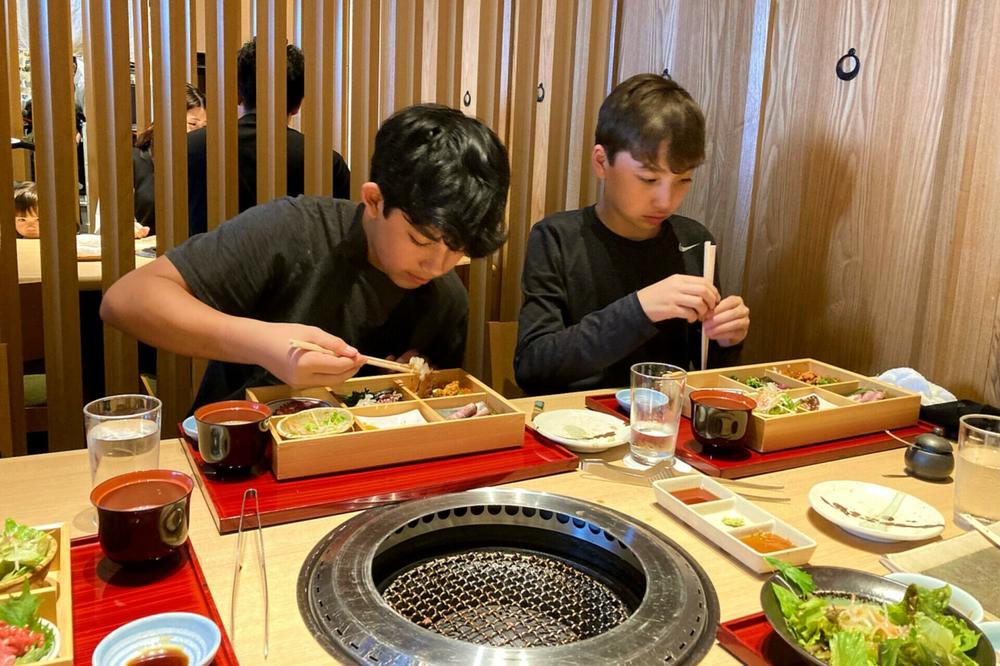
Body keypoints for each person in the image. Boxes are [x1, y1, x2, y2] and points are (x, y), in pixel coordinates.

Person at [101, 104, 509, 410]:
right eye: (422, 240)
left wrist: (414, 391)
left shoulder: (447, 300)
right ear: (373, 200)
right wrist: (264, 344)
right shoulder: (293, 230)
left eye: (456, 248)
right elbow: (126, 300)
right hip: (241, 461)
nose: (438, 266)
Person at [514, 73, 751, 394]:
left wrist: (726, 339)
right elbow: (533, 367)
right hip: (573, 424)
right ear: (602, 162)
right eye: (648, 179)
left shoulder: (695, 242)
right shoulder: (556, 238)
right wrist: (639, 309)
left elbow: (705, 370)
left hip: (660, 426)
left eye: (683, 181)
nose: (666, 201)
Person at [186, 38, 351, 237]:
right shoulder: (326, 162)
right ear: (298, 105)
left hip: (204, 267)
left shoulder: (190, 148)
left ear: (239, 94)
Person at [133, 83, 207, 234]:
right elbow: (107, 221)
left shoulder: (203, 163)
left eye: (204, 127)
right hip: (145, 254)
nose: (199, 133)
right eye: (193, 124)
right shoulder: (134, 160)